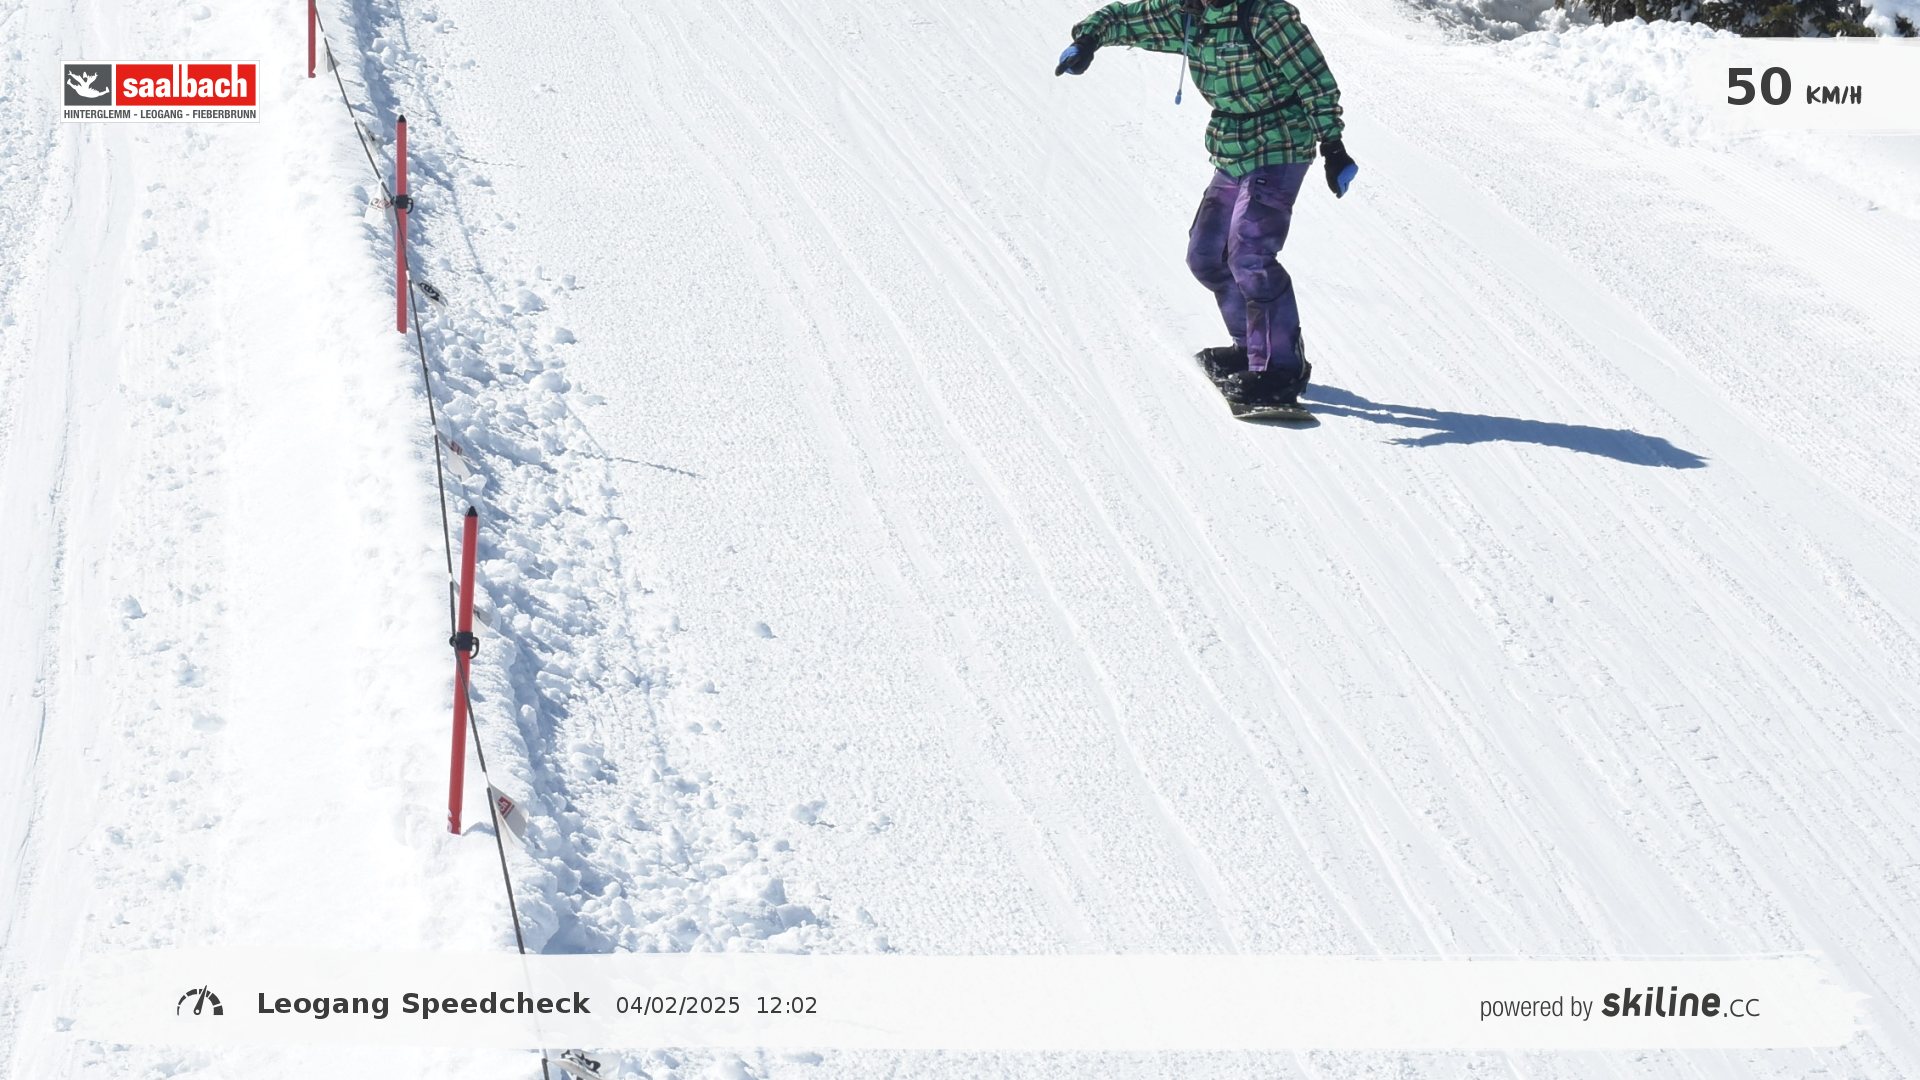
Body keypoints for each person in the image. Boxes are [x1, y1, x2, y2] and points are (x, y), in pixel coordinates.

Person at [1056, 0, 1356, 409]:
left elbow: (1315, 81)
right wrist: (1088, 40)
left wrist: (1333, 145)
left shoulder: (1266, 16)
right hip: (1232, 150)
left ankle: (1280, 369)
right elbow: (1124, 18)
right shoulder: (1189, 16)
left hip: (1280, 143)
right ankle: (1251, 347)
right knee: (1207, 256)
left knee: (1250, 255)